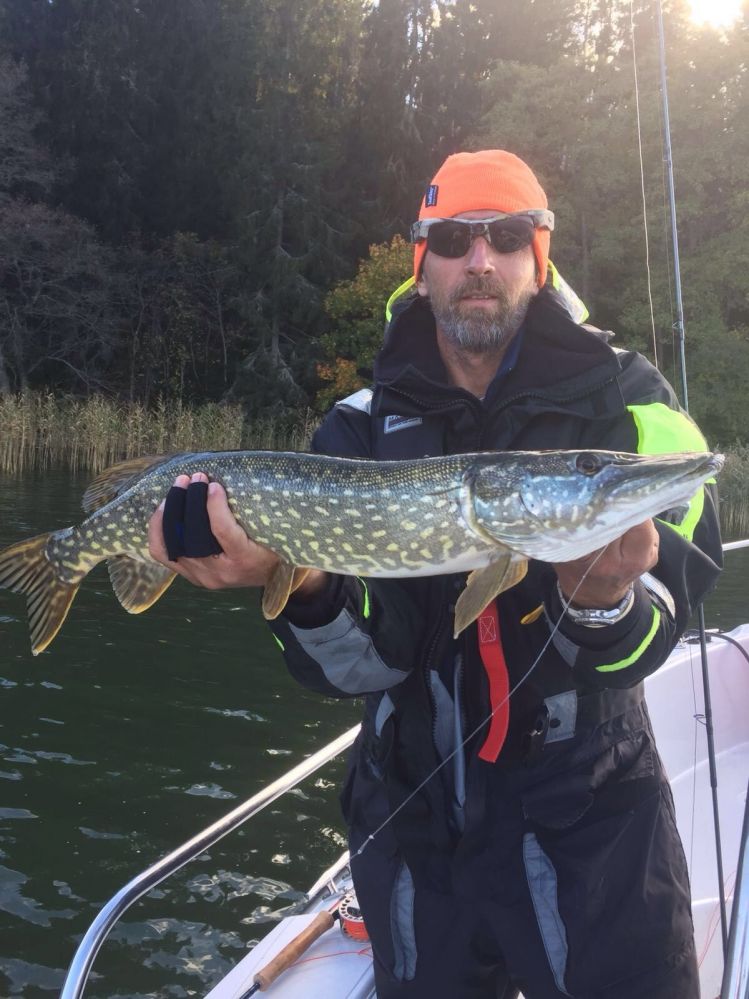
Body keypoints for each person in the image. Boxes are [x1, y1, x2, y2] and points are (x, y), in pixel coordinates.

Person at [148, 150, 722, 998]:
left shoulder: (633, 407)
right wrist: (299, 584)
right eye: (453, 239)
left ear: (540, 254)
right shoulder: (356, 427)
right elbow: (365, 661)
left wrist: (604, 600)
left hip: (594, 830)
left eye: (505, 236)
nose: (479, 259)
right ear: (422, 265)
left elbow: (671, 607)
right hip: (413, 834)